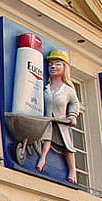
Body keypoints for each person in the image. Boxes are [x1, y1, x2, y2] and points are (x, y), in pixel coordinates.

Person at [34, 49, 80, 182]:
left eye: (57, 64)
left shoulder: (68, 90)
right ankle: (42, 159)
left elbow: (75, 103)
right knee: (46, 139)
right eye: (51, 64)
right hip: (49, 119)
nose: (53, 67)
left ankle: (72, 170)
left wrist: (72, 116)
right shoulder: (46, 87)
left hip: (61, 121)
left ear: (65, 67)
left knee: (66, 146)